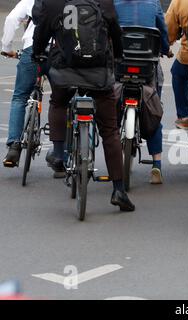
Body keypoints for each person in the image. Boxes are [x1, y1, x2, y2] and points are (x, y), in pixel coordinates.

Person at [33, 0, 135, 212]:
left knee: (58, 102)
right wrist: (117, 56)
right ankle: (118, 190)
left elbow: (41, 32)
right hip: (98, 74)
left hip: (65, 72)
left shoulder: (54, 2)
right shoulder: (103, 2)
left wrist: (38, 52)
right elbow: (115, 31)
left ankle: (60, 153)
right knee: (109, 131)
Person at [115, 0, 172, 184]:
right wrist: (166, 49)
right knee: (154, 110)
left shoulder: (115, 3)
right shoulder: (154, 4)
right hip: (147, 69)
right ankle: (156, 165)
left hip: (120, 67)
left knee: (109, 106)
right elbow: (162, 32)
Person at [1, 0, 37, 168]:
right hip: (58, 50)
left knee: (19, 97)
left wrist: (7, 47)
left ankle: (14, 146)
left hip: (32, 47)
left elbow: (11, 19)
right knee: (61, 100)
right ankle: (62, 154)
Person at [165, 0, 188, 130]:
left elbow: (169, 27)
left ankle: (184, 116)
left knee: (177, 73)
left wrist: (167, 45)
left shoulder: (181, 1)